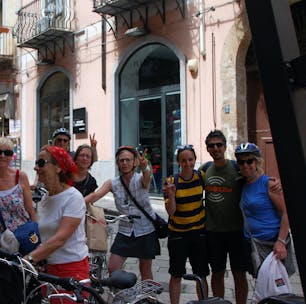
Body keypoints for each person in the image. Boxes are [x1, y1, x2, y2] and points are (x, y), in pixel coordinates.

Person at [85, 146, 159, 280]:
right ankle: (119, 296)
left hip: (145, 230)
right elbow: (95, 195)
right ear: (117, 163)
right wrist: (76, 202)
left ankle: (148, 299)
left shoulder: (140, 179)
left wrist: (145, 168)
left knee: (145, 270)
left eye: (128, 160)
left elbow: (147, 178)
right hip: (125, 230)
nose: (125, 163)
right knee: (113, 267)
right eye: (121, 160)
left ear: (134, 162)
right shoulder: (113, 183)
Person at [26, 146, 89, 296]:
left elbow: (60, 238)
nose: (36, 167)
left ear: (58, 167)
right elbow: (46, 235)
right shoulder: (45, 198)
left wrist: (29, 258)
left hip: (71, 269)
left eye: (41, 163)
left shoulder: (73, 198)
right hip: (48, 268)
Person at [199, 130, 248, 304]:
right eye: (211, 145)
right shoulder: (204, 170)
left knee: (239, 273)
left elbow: (256, 179)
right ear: (207, 149)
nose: (215, 148)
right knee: (217, 272)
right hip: (213, 231)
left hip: (236, 231)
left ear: (225, 147)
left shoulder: (237, 168)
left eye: (219, 145)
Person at [235, 143, 293, 276]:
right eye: (241, 162)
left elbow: (286, 212)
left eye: (249, 161)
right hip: (253, 243)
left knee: (275, 287)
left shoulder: (269, 184)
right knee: (261, 285)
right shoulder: (243, 184)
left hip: (271, 243)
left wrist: (281, 241)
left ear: (256, 162)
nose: (245, 165)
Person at [162, 145, 209, 303]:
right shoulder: (171, 181)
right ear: (178, 162)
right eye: (184, 160)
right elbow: (171, 212)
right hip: (178, 235)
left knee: (201, 274)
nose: (188, 163)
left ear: (195, 160)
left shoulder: (201, 176)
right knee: (176, 274)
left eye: (190, 159)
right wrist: (172, 195)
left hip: (198, 233)